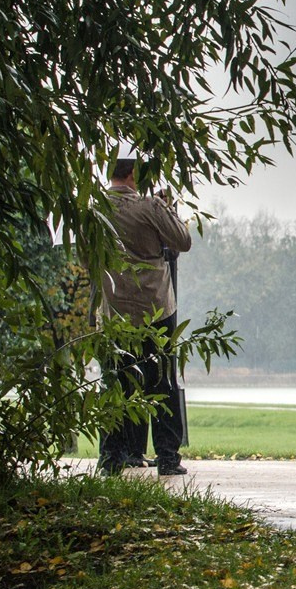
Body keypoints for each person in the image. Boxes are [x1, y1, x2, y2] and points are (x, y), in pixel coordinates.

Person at [96, 158, 192, 477]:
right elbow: (183, 241)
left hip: (113, 310)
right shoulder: (150, 207)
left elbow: (85, 257)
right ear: (133, 173)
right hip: (155, 306)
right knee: (161, 380)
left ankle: (112, 456)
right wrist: (169, 209)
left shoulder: (95, 211)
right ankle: (167, 456)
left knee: (116, 382)